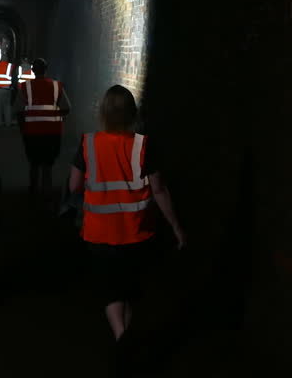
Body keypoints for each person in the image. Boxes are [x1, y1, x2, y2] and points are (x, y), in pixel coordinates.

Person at [68, 85, 185, 343]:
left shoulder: (89, 143)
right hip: (136, 234)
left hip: (99, 235)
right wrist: (176, 226)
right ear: (132, 113)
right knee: (128, 291)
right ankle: (127, 341)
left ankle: (122, 339)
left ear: (104, 113)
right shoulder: (143, 146)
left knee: (112, 292)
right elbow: (159, 190)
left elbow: (74, 186)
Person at [14, 58, 70, 199]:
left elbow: (18, 110)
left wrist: (22, 128)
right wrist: (55, 117)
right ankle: (47, 192)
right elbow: (67, 108)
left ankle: (33, 191)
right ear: (46, 70)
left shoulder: (25, 87)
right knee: (48, 163)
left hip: (31, 132)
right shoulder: (57, 86)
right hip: (53, 132)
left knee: (33, 162)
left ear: (32, 70)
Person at [0, 55, 16, 127]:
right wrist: (13, 86)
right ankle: (8, 123)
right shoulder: (10, 66)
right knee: (7, 106)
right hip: (6, 89)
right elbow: (13, 76)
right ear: (7, 60)